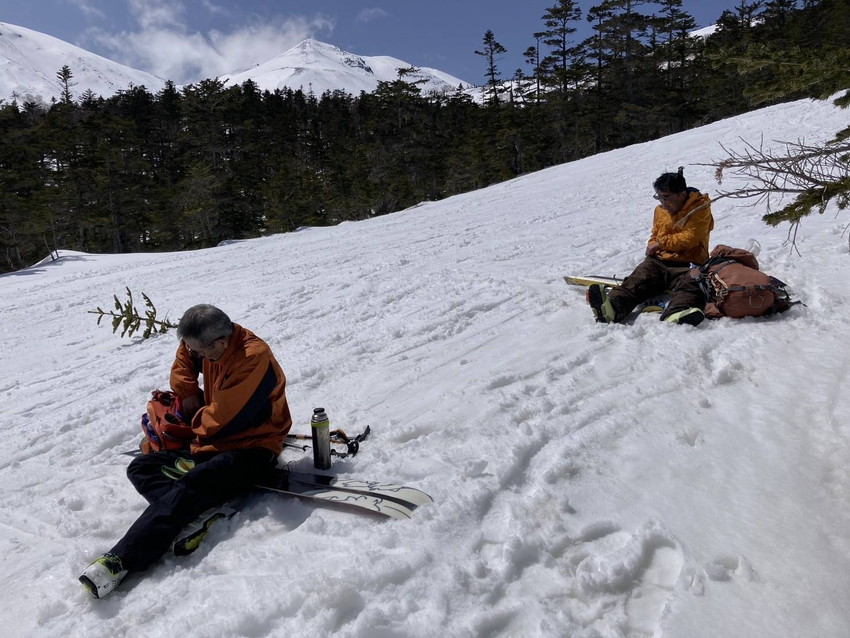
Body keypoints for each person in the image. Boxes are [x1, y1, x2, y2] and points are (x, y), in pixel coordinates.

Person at [79, 304, 292, 598]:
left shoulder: (252, 358)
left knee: (192, 483)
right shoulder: (209, 342)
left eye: (201, 352)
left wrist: (190, 425)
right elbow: (184, 357)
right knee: (142, 467)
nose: (197, 356)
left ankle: (121, 561)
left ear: (220, 343)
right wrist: (189, 390)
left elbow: (224, 420)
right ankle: (200, 515)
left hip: (253, 447)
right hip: (213, 444)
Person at [587, 167, 714, 326]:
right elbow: (655, 235)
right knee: (638, 279)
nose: (663, 203)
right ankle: (612, 307)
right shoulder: (660, 210)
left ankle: (678, 311)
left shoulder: (700, 208)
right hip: (660, 261)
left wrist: (659, 243)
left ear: (681, 194)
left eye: (666, 197)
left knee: (692, 284)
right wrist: (652, 245)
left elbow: (690, 238)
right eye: (659, 197)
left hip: (689, 264)